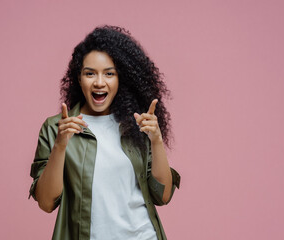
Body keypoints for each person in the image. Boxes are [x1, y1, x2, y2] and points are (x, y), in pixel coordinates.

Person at [28, 25, 181, 240]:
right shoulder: (56, 128)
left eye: (109, 73)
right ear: (78, 78)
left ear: (121, 79)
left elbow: (163, 196)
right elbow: (45, 202)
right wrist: (60, 146)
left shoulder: (137, 124)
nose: (99, 82)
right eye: (90, 73)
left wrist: (156, 140)